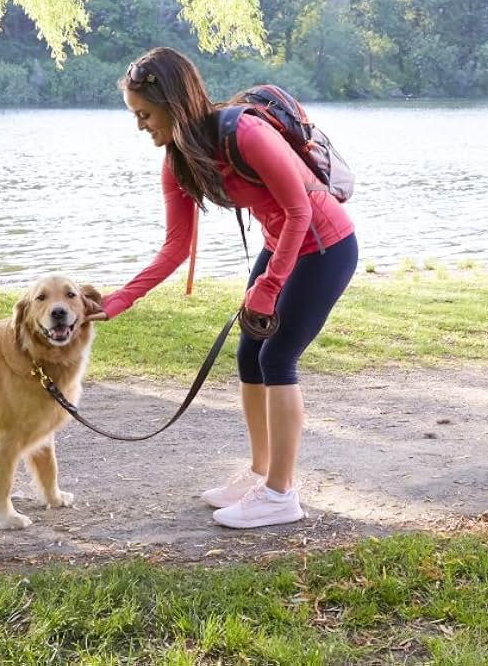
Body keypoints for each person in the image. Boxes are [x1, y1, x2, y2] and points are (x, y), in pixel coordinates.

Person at [86, 47, 358, 529]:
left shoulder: (243, 132)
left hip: (324, 245)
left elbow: (299, 212)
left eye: (145, 114)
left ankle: (281, 494)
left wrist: (269, 287)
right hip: (283, 245)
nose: (141, 126)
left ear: (172, 102)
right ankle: (261, 472)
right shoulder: (179, 163)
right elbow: (174, 248)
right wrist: (118, 300)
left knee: (277, 358)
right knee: (248, 356)